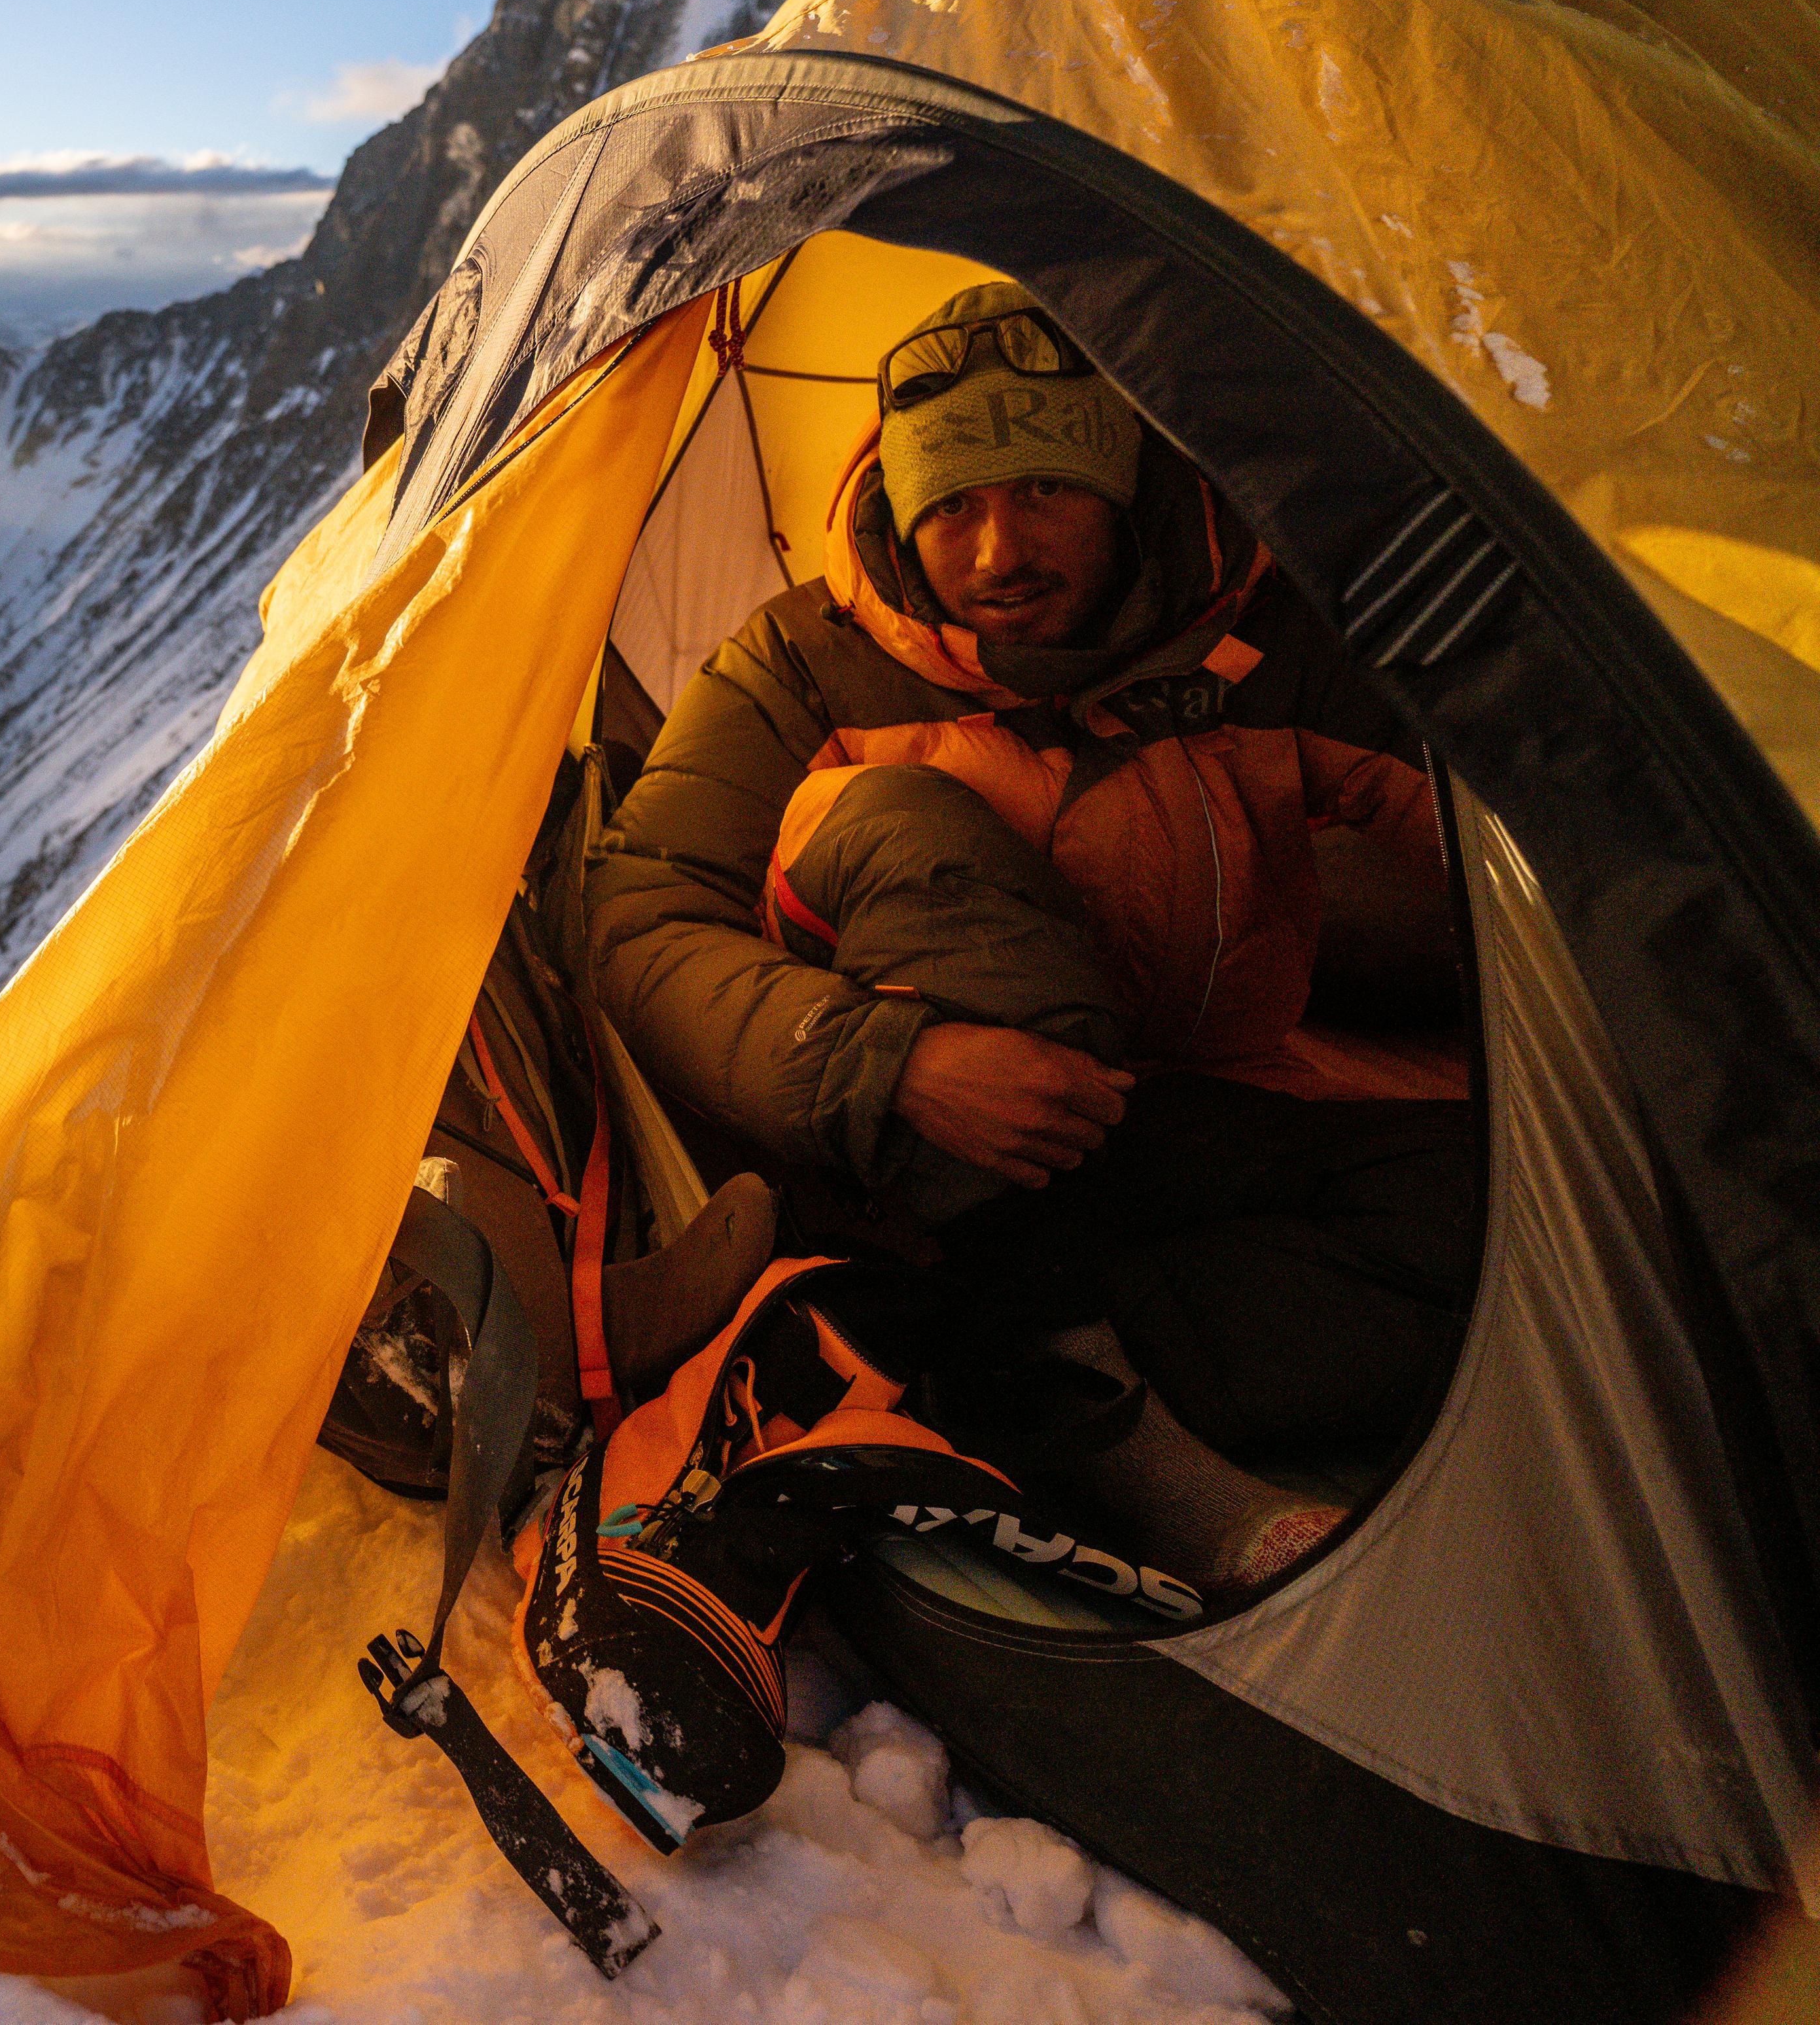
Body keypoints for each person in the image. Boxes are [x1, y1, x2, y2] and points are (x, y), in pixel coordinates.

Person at [586, 281, 1480, 1598]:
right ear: (899, 508)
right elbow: (640, 914)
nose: (997, 547)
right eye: (951, 504)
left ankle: (996, 1361)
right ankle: (1115, 1442)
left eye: (1044, 490)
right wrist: (896, 1062)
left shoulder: (1257, 637)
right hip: (894, 1143)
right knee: (899, 816)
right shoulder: (801, 664)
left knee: (1482, 1212)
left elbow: (1495, 824)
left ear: (1124, 488)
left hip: (1153, 1105)